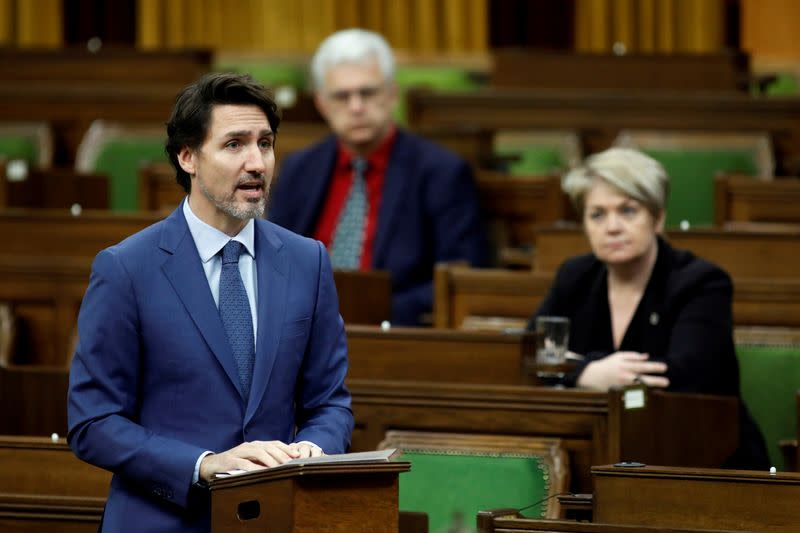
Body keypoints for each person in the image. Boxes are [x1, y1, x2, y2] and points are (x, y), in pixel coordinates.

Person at [67, 73, 354, 532]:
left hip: (276, 519)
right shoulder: (126, 268)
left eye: (265, 143)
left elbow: (329, 404)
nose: (256, 162)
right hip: (163, 520)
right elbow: (93, 422)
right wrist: (203, 464)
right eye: (234, 145)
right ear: (188, 157)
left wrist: (311, 454)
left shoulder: (307, 260)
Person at [529, 147, 769, 469]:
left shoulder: (701, 283)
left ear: (657, 218)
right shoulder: (575, 276)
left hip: (702, 457)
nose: (611, 227)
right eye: (597, 214)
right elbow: (531, 353)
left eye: (628, 211)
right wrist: (588, 372)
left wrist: (583, 370)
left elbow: (683, 376)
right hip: (601, 454)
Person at [269, 28, 488, 326]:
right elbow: (272, 263)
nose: (356, 107)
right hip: (300, 331)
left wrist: (369, 314)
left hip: (395, 334)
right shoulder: (299, 169)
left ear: (392, 94)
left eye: (368, 93)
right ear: (322, 104)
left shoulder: (441, 173)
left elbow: (463, 277)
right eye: (342, 96)